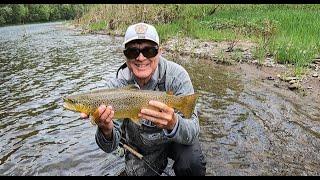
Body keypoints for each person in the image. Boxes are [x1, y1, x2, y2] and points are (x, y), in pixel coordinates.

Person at [81, 22, 206, 176]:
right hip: (142, 147)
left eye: (149, 50)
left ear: (159, 52)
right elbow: (109, 147)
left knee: (192, 162)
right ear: (125, 55)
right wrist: (106, 130)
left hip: (175, 141)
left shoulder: (177, 76)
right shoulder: (115, 87)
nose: (140, 57)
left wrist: (174, 123)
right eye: (133, 52)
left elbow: (193, 131)